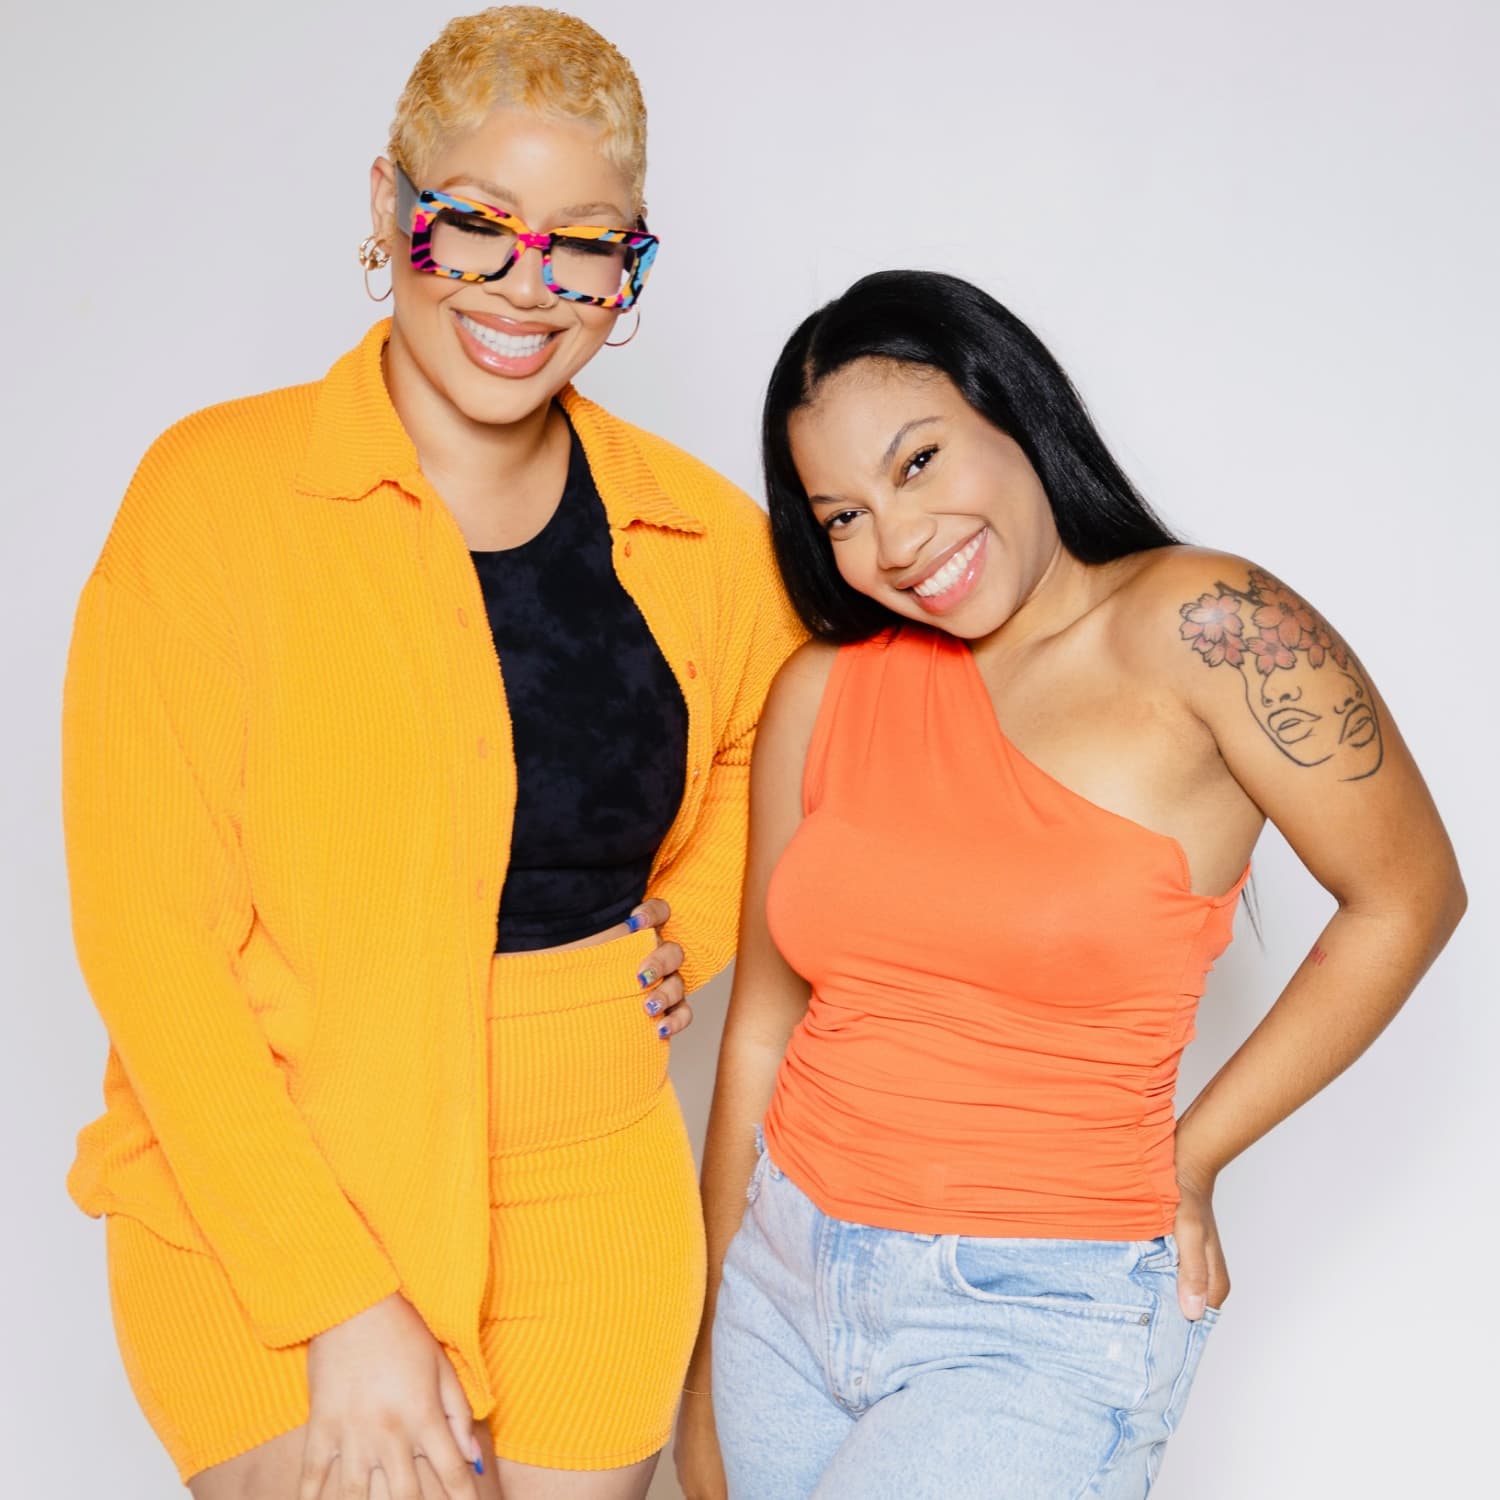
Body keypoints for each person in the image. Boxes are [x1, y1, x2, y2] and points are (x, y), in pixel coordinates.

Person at [61, 9, 800, 1498]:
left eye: (585, 245)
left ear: (628, 266)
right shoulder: (216, 495)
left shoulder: (704, 537)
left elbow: (780, 749)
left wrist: (695, 924)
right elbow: (150, 940)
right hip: (271, 1169)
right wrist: (337, 1299)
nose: (528, 287)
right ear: (390, 207)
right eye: (476, 225)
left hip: (588, 1171)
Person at [673, 270, 1464, 1498]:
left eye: (920, 462)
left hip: (1034, 1314)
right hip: (781, 1284)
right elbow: (763, 1032)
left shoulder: (1208, 625)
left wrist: (1194, 1156)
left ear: (1015, 410)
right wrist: (708, 1350)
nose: (898, 542)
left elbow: (1409, 897)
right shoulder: (822, 693)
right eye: (843, 516)